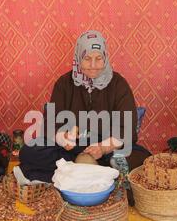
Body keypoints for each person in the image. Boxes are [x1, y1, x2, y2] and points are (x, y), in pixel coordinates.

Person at [18, 30, 151, 204]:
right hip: (70, 151)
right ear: (78, 58)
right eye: (87, 59)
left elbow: (127, 130)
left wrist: (103, 147)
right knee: (30, 152)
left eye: (99, 58)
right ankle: (95, 177)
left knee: (140, 160)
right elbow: (52, 122)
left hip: (105, 152)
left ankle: (71, 176)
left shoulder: (119, 85)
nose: (94, 65)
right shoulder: (64, 84)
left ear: (105, 57)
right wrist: (62, 138)